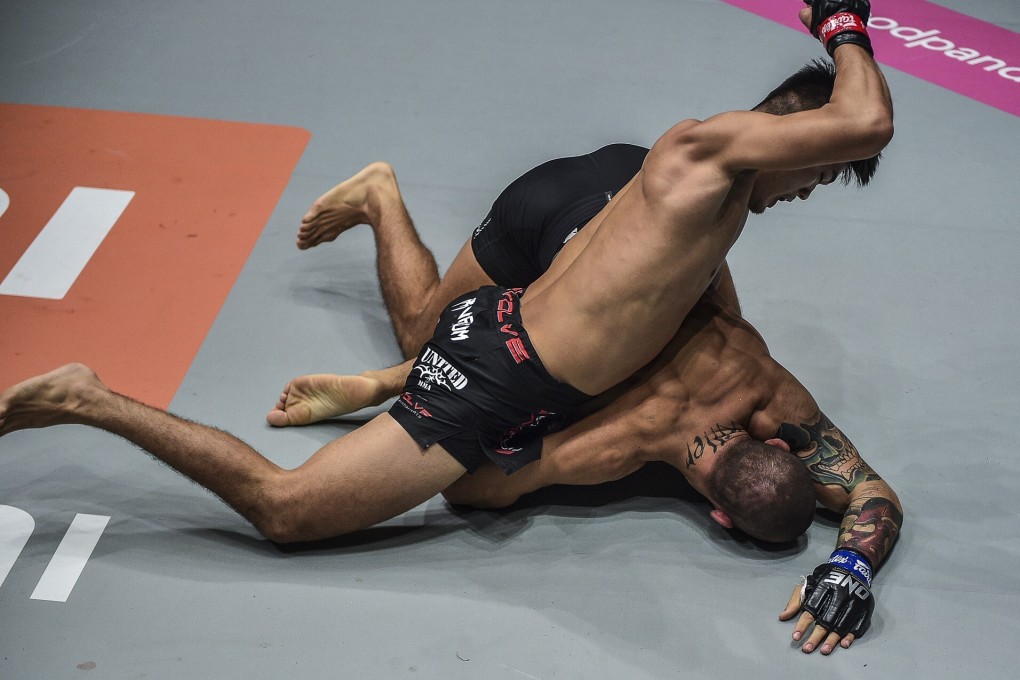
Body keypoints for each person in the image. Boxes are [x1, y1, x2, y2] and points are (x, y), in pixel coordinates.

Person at [0, 0, 893, 656]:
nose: (805, 194)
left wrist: (850, 561)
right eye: (814, 176)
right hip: (502, 381)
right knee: (287, 511)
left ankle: (388, 317)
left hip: (497, 331)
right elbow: (867, 119)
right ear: (796, 137)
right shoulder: (711, 154)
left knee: (417, 348)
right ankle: (90, 399)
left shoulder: (718, 210)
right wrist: (844, 24)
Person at [269, 126, 901, 656]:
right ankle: (381, 199)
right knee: (430, 342)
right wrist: (851, 570)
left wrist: (850, 567)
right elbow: (475, 481)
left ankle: (385, 310)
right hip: (579, 246)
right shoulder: (624, 439)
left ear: (780, 445)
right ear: (719, 515)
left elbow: (872, 493)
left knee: (689, 301)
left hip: (642, 181)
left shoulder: (767, 386)